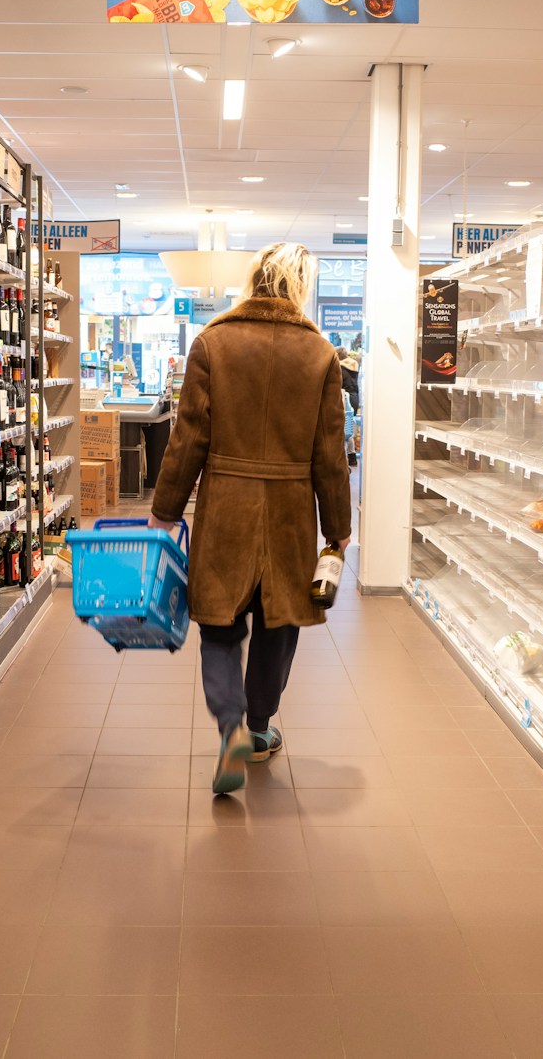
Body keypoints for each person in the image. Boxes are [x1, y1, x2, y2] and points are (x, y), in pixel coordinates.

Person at [149, 242, 353, 794]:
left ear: (253, 280)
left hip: (227, 507)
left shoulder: (212, 342)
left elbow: (187, 439)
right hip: (290, 511)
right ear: (300, 287)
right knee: (279, 622)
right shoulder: (319, 355)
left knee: (219, 626)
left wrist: (165, 511)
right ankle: (260, 725)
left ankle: (231, 728)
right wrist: (338, 528)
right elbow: (330, 456)